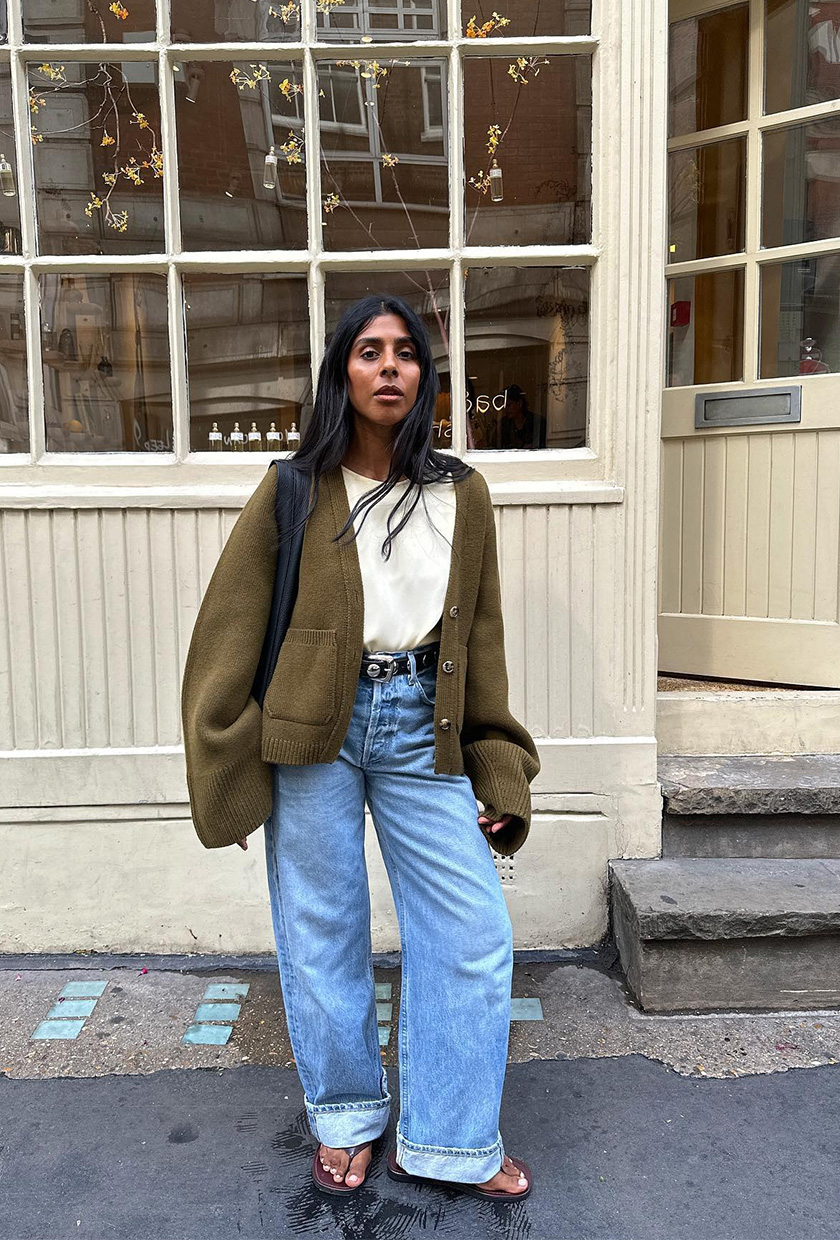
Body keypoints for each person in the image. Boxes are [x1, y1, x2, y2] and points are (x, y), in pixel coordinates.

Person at [180, 294, 541, 1202]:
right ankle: (345, 1116)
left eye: (406, 352)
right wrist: (228, 766)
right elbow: (228, 631)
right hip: (314, 732)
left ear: (425, 374)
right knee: (322, 929)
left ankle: (451, 1140)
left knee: (471, 933)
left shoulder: (461, 493)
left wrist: (498, 766)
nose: (389, 367)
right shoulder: (296, 487)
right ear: (342, 371)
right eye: (370, 351)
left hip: (423, 723)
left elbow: (481, 639)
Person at [499, 384, 546, 450]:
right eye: (504, 405)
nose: (506, 409)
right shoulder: (504, 424)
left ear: (520, 403)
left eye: (509, 405)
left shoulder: (536, 423)